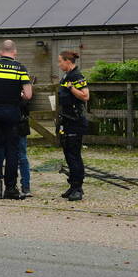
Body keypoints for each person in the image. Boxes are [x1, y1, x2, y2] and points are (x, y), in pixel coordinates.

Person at [0, 40, 32, 199]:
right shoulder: (20, 68)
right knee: (12, 151)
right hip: (12, 114)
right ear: (14, 52)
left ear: (1, 52)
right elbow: (28, 95)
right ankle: (11, 188)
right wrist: (18, 94)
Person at [57, 50, 89, 201]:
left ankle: (78, 188)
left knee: (74, 155)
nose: (59, 64)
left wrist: (71, 88)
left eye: (60, 61)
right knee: (68, 154)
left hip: (75, 121)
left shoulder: (77, 76)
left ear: (67, 61)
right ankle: (72, 185)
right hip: (66, 120)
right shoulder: (66, 76)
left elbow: (85, 95)